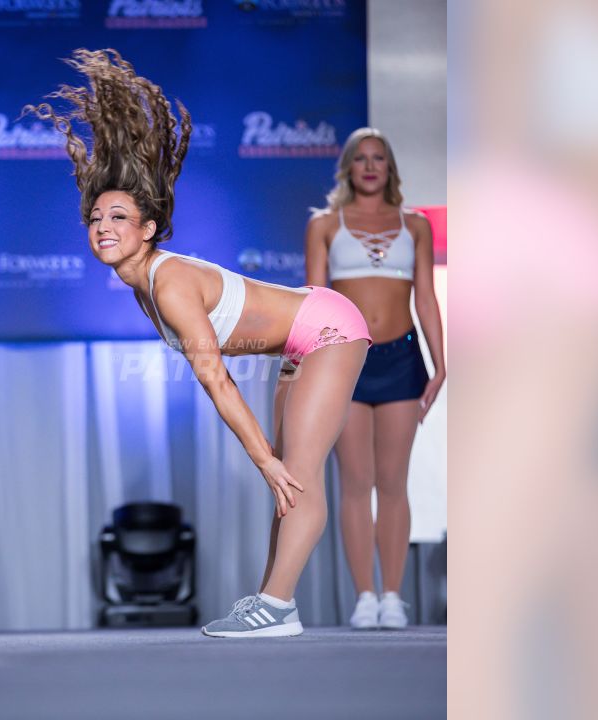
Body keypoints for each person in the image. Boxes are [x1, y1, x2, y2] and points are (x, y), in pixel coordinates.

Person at [27, 49, 371, 638]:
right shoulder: (141, 285)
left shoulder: (169, 281)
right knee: (285, 481)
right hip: (297, 344)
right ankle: (271, 600)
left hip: (329, 329)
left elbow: (214, 376)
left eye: (118, 217)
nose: (103, 227)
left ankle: (277, 607)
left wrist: (261, 457)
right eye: (95, 219)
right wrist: (265, 457)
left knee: (293, 476)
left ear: (148, 228)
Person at [305, 128, 446, 629]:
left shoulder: (416, 226)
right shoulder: (324, 225)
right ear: (347, 167)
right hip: (346, 361)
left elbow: (425, 297)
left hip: (403, 359)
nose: (370, 166)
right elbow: (315, 299)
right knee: (354, 482)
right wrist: (311, 362)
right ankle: (364, 595)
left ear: (390, 168)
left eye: (379, 158)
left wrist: (440, 360)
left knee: (393, 482)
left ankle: (393, 596)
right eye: (361, 158)